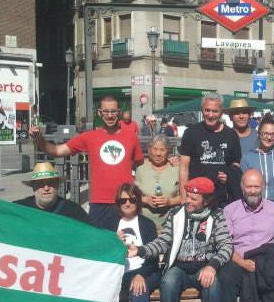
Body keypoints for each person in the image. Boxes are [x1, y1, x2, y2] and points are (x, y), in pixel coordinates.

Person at [29, 96, 144, 229]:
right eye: (106, 112)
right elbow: (56, 151)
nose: (110, 115)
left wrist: (170, 161)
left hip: (126, 201)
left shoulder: (131, 137)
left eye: (113, 111)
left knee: (129, 244)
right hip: (99, 203)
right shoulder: (89, 137)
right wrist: (39, 138)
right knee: (99, 245)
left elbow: (141, 163)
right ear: (100, 113)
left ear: (118, 112)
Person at [127, 177, 233, 302]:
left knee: (212, 284)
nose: (188, 200)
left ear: (206, 201)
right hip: (179, 267)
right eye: (187, 196)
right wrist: (140, 250)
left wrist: (212, 266)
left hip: (204, 267)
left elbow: (226, 245)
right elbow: (162, 241)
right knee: (168, 282)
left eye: (193, 198)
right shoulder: (176, 214)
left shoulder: (217, 215)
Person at [220, 169, 274, 302]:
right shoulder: (230, 210)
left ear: (263, 186)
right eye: (249, 186)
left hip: (265, 263)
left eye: (256, 186)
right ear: (241, 186)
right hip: (238, 260)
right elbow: (224, 243)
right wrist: (242, 262)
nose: (252, 191)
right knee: (225, 277)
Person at [179, 93, 242, 207]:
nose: (210, 115)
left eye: (215, 111)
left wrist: (229, 175)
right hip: (195, 197)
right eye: (207, 110)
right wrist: (183, 198)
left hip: (221, 198)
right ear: (202, 110)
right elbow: (183, 168)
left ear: (221, 112)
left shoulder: (231, 135)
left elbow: (236, 164)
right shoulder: (191, 133)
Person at [114, 183, 160, 302]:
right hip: (119, 273)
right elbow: (101, 253)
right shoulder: (110, 224)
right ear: (118, 202)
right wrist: (112, 240)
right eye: (123, 200)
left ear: (138, 202)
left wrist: (140, 274)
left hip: (145, 271)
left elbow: (154, 259)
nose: (127, 203)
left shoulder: (147, 224)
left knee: (138, 289)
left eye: (132, 200)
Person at [13, 162, 91, 224]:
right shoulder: (19, 209)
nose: (46, 188)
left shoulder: (74, 211)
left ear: (57, 185)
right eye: (40, 184)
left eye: (51, 183)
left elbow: (90, 234)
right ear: (33, 187)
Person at [241, 113, 274, 203]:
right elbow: (243, 186)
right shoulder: (247, 158)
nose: (269, 137)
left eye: (273, 134)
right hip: (254, 204)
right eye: (265, 133)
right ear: (259, 134)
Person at [135, 135, 182, 227]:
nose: (158, 153)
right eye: (155, 149)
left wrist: (170, 201)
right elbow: (133, 195)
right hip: (144, 223)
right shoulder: (141, 169)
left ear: (168, 151)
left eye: (162, 150)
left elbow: (185, 197)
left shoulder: (176, 169)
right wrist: (146, 200)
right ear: (149, 150)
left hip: (170, 224)